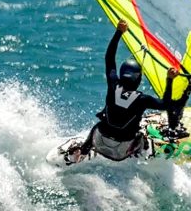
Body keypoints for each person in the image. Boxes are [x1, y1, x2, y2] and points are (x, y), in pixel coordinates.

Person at [66, 19, 178, 163]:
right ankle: (143, 157)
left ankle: (83, 151)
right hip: (121, 152)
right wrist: (169, 79)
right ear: (138, 79)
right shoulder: (142, 99)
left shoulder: (113, 85)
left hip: (99, 141)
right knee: (140, 136)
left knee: (99, 125)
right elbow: (165, 104)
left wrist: (119, 32)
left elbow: (109, 59)